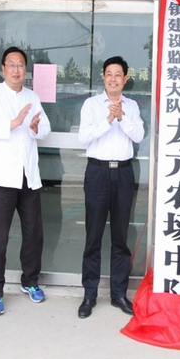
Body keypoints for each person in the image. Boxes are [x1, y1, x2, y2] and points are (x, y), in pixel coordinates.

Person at [0, 46, 51, 316]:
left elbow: (45, 129)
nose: (16, 70)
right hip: (1, 177)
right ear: (3, 68)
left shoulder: (32, 96)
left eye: (20, 65)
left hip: (28, 176)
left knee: (34, 234)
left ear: (25, 69)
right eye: (12, 65)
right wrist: (15, 122)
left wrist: (35, 128)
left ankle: (30, 281)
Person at [76, 56, 144, 318]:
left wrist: (122, 117)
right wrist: (107, 120)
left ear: (125, 79)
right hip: (97, 173)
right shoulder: (91, 105)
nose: (113, 79)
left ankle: (119, 294)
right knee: (93, 236)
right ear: (103, 77)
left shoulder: (132, 106)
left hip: (124, 173)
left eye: (118, 74)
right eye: (109, 74)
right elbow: (84, 137)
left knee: (120, 236)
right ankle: (89, 295)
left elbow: (138, 135)